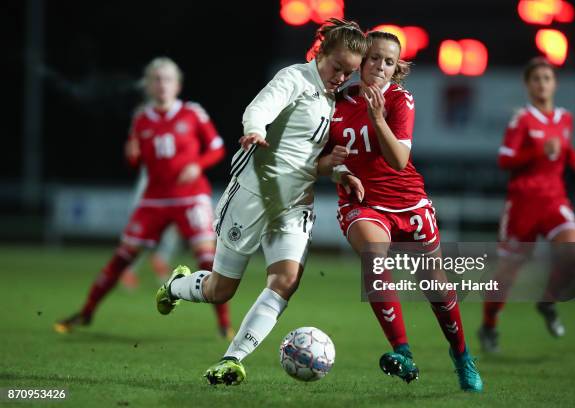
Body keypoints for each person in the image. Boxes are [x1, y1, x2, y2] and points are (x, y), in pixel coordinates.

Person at [155, 18, 367, 386]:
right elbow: (260, 107)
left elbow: (306, 153)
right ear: (321, 54)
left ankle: (232, 360)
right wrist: (255, 129)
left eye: (349, 73)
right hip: (254, 196)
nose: (340, 78)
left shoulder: (335, 99)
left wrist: (337, 173)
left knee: (285, 280)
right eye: (337, 68)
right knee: (221, 291)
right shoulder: (295, 79)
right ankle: (175, 286)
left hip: (295, 206)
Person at [321, 31, 483, 392]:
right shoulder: (332, 102)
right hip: (362, 203)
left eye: (389, 61)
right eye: (375, 58)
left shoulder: (400, 100)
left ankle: (462, 357)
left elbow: (399, 160)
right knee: (374, 259)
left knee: (435, 288)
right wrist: (338, 171)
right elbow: (315, 157)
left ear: (397, 69)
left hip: (407, 202)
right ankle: (403, 352)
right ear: (361, 60)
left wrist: (377, 118)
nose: (380, 66)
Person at [54, 57, 233, 339]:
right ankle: (86, 312)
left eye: (167, 79)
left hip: (191, 197)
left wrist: (197, 164)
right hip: (154, 199)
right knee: (122, 258)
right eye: (156, 79)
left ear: (178, 85)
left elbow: (217, 148)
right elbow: (136, 163)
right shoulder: (141, 119)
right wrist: (132, 155)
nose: (162, 84)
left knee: (207, 261)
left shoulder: (192, 113)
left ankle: (225, 325)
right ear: (148, 85)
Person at [479, 57, 575, 352]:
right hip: (523, 205)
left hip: (555, 200)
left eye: (547, 78)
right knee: (508, 272)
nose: (542, 83)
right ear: (528, 85)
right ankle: (489, 325)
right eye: (536, 79)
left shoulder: (565, 118)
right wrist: (538, 152)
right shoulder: (522, 120)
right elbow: (505, 159)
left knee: (574, 252)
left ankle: (548, 301)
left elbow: (563, 148)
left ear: (555, 84)